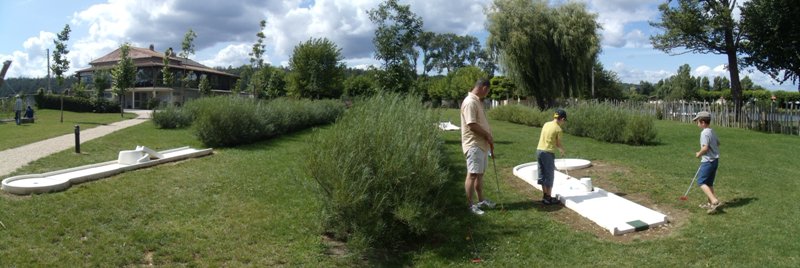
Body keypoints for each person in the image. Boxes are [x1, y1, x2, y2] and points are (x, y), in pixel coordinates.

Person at [460, 78, 495, 215]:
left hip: (481, 145)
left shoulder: (477, 101)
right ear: (484, 88)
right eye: (488, 91)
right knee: (473, 174)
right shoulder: (470, 102)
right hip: (474, 144)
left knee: (479, 174)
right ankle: (470, 205)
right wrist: (487, 134)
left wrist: (488, 137)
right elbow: (471, 124)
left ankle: (481, 201)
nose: (487, 94)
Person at [692, 111, 722, 214]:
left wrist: (699, 154)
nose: (697, 124)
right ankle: (710, 204)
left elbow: (705, 148)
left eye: (698, 122)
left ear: (703, 122)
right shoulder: (711, 131)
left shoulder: (704, 133)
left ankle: (714, 201)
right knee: (709, 183)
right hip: (715, 160)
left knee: (701, 182)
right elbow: (718, 143)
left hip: (708, 161)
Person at [536, 109, 567, 205]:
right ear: (562, 119)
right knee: (549, 175)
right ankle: (548, 198)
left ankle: (545, 196)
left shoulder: (546, 124)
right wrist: (562, 150)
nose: (564, 122)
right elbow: (557, 143)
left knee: (542, 174)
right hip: (548, 153)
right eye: (564, 120)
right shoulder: (558, 129)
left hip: (539, 151)